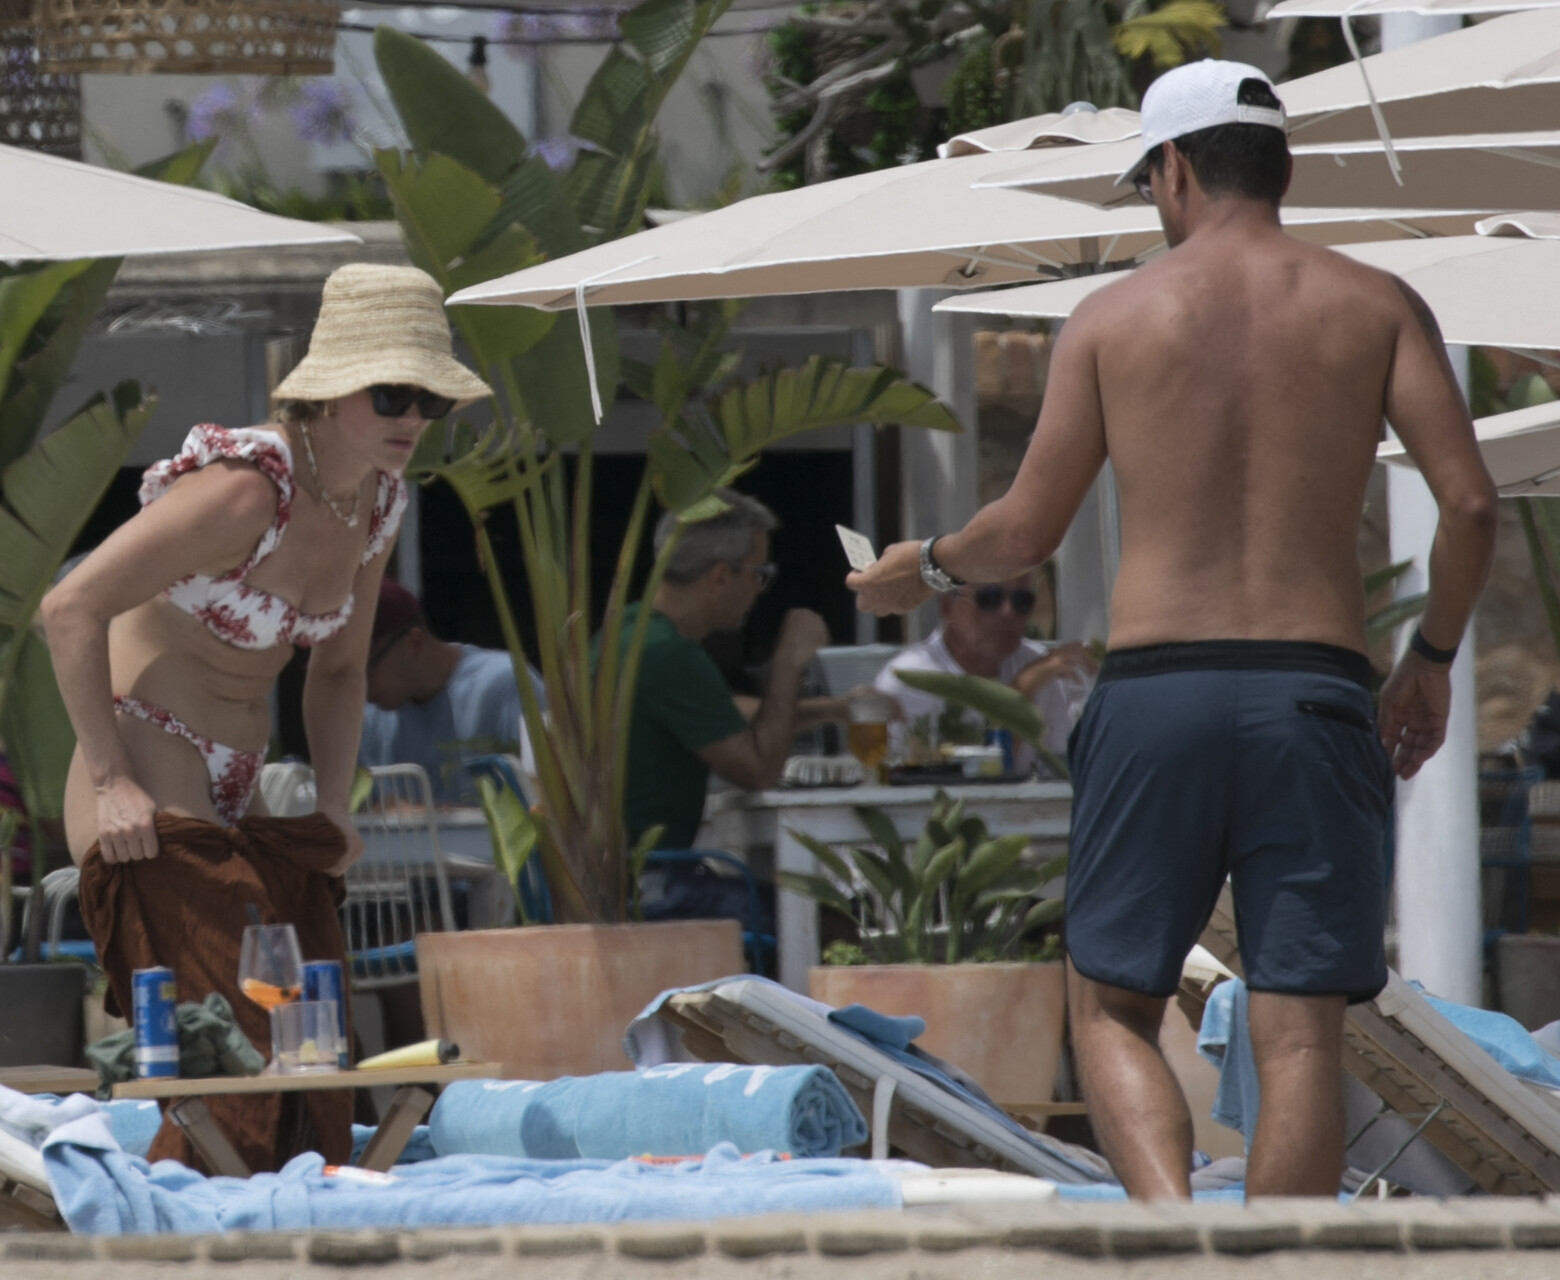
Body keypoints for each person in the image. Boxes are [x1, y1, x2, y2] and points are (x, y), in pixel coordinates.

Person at [846, 61, 1498, 1199]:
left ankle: (1177, 1244)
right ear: (1283, 167)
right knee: (1299, 1031)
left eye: (1149, 181)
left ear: (1177, 169)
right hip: (1313, 693)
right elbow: (1474, 506)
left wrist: (925, 565)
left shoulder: (1111, 316)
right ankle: (1275, 1270)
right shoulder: (1378, 303)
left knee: (1109, 1005)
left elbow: (1026, 531)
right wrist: (1431, 660)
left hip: (1157, 698)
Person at [41, 264, 491, 1172]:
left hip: (241, 775)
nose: (411, 417)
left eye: (430, 401)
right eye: (391, 394)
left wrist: (334, 804)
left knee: (311, 1033)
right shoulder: (248, 489)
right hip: (149, 750)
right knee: (239, 1046)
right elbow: (69, 607)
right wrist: (111, 778)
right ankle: (206, 1222)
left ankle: (298, 1213)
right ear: (328, 393)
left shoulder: (378, 500)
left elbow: (341, 668)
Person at [617, 490, 843, 917]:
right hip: (646, 883)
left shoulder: (631, 632)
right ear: (720, 577)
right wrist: (788, 662)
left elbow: (730, 717)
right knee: (830, 918)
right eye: (760, 574)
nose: (761, 590)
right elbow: (759, 770)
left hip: (622, 875)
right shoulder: (670, 654)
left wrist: (837, 708)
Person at [873, 572, 1097, 773]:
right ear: (947, 607)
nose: (1008, 612)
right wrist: (1024, 687)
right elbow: (974, 778)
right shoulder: (911, 678)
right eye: (989, 598)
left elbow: (1062, 769)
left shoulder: (1042, 666)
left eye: (1021, 600)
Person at [358, 579, 544, 805]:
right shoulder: (366, 719)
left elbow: (548, 800)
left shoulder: (505, 686)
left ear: (414, 642)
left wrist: (421, 815)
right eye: (348, 676)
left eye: (367, 668)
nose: (360, 686)